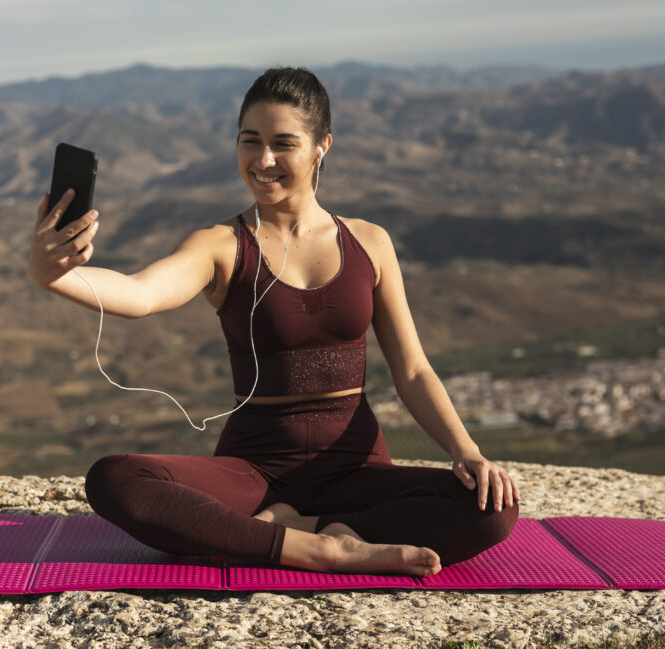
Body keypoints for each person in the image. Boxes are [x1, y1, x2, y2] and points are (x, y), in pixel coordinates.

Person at [28, 67, 520, 577]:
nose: (263, 161)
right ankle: (322, 549)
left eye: (283, 143)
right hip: (252, 473)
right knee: (114, 478)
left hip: (356, 470)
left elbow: (413, 371)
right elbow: (141, 294)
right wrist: (56, 276)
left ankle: (301, 528)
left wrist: (467, 451)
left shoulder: (370, 242)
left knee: (493, 506)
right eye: (250, 141)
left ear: (322, 147)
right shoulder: (221, 245)